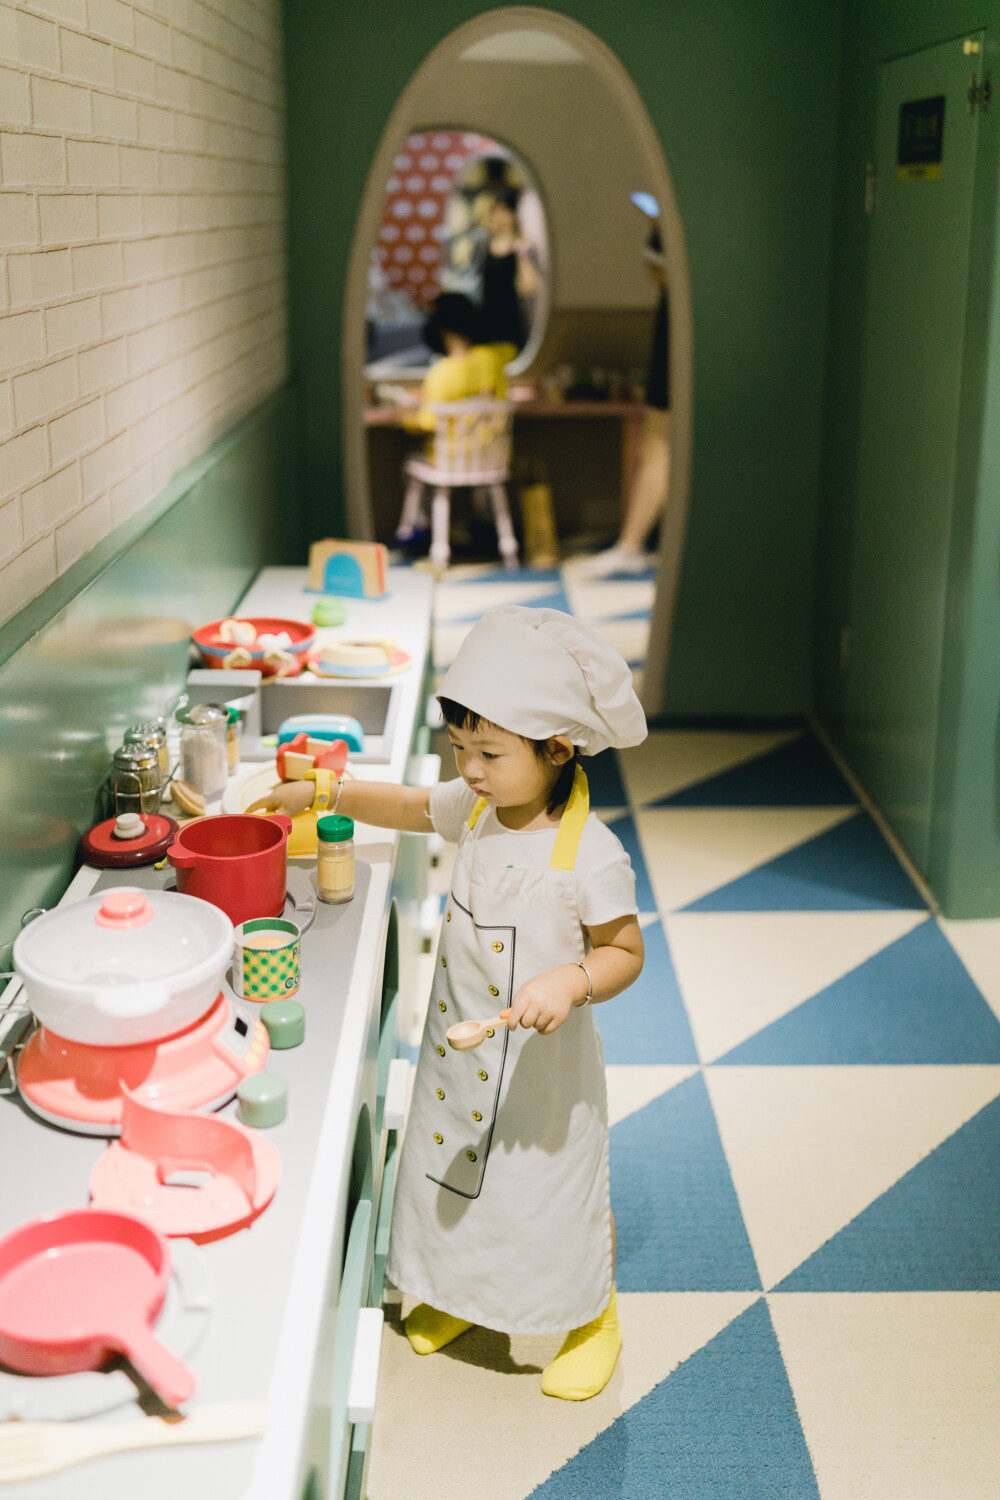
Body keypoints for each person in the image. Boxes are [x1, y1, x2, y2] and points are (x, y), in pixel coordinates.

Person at [251, 607, 646, 1399]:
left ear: (557, 749)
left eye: (490, 754)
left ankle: (590, 1316)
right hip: (456, 1059)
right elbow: (402, 806)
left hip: (542, 1077)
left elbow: (624, 953)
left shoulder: (591, 857)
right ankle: (464, 1299)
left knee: (541, 1197)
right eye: (461, 749)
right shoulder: (474, 808)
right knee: (453, 1187)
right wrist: (322, 789)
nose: (470, 769)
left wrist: (571, 980)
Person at [579, 220, 671, 577]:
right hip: (672, 329)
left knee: (658, 447)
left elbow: (658, 273)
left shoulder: (671, 235)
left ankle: (631, 544)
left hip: (673, 333)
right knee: (656, 447)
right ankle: (634, 542)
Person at [478, 187, 540, 357]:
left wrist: (522, 251)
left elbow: (528, 285)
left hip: (512, 317)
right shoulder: (485, 243)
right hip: (488, 318)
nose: (499, 216)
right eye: (495, 211)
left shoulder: (521, 245)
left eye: (504, 211)